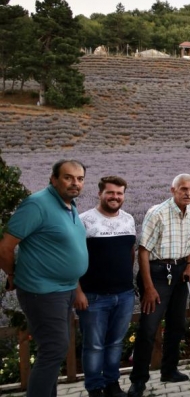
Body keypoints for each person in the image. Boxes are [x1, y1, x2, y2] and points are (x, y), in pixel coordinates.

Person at [0, 160, 88, 397]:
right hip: (43, 290)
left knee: (54, 350)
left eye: (79, 179)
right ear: (53, 179)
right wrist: (12, 274)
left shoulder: (69, 205)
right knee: (55, 349)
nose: (75, 183)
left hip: (65, 288)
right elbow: (5, 247)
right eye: (68, 177)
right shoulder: (37, 204)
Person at [128, 174, 190, 397]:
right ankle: (138, 380)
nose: (188, 193)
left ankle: (169, 370)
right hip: (157, 273)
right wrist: (148, 287)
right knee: (148, 328)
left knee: (177, 324)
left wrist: (189, 265)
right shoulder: (156, 213)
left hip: (179, 273)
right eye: (183, 189)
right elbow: (143, 251)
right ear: (172, 190)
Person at [76, 176, 136, 397]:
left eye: (119, 193)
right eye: (110, 193)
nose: (115, 197)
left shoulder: (129, 219)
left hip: (124, 294)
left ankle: (112, 384)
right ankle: (94, 388)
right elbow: (73, 259)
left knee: (115, 343)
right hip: (93, 296)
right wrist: (78, 291)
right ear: (99, 193)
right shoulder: (83, 221)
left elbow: (130, 252)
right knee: (93, 345)